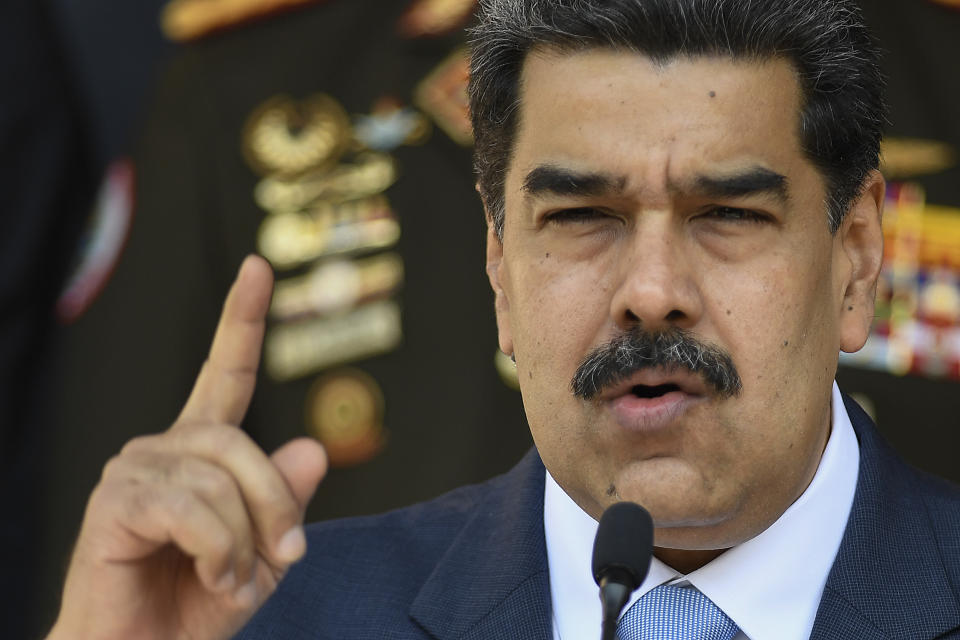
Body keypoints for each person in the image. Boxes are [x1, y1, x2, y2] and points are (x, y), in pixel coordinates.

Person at [46, 0, 960, 638]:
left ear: (857, 259)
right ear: (499, 269)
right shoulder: (279, 617)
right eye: (580, 217)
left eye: (728, 215)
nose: (650, 290)